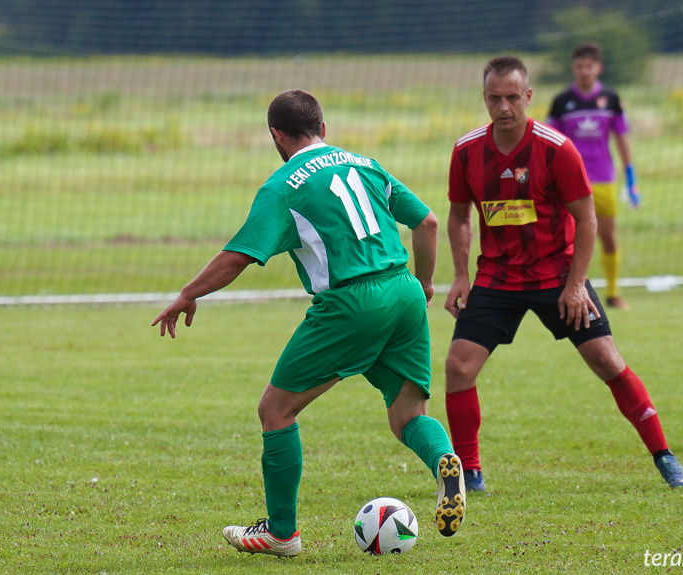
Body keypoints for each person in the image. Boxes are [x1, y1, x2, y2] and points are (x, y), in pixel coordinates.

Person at [152, 89, 466, 558]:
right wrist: (423, 284)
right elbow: (428, 224)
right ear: (323, 127)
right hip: (401, 291)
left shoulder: (282, 185)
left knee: (275, 411)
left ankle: (282, 533)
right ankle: (443, 459)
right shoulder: (366, 164)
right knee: (408, 417)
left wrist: (187, 293)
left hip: (349, 302)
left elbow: (241, 254)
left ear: (276, 135)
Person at [443, 56, 683, 494]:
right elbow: (459, 216)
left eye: (512, 98)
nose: (503, 107)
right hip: (497, 278)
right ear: (483, 98)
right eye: (494, 98)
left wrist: (576, 284)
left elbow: (588, 218)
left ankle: (665, 457)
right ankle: (470, 472)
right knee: (458, 367)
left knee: (606, 360)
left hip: (557, 276)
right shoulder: (466, 151)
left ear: (528, 96)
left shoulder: (556, 148)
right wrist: (461, 275)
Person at [547, 42, 638, 310]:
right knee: (568, 239)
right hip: (570, 182)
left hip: (603, 180)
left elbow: (621, 138)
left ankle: (612, 292)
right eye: (579, 66)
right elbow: (552, 141)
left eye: (589, 66)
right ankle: (569, 289)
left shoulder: (610, 98)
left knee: (608, 236)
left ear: (598, 68)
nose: (584, 71)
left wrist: (631, 176)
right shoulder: (562, 101)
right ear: (573, 68)